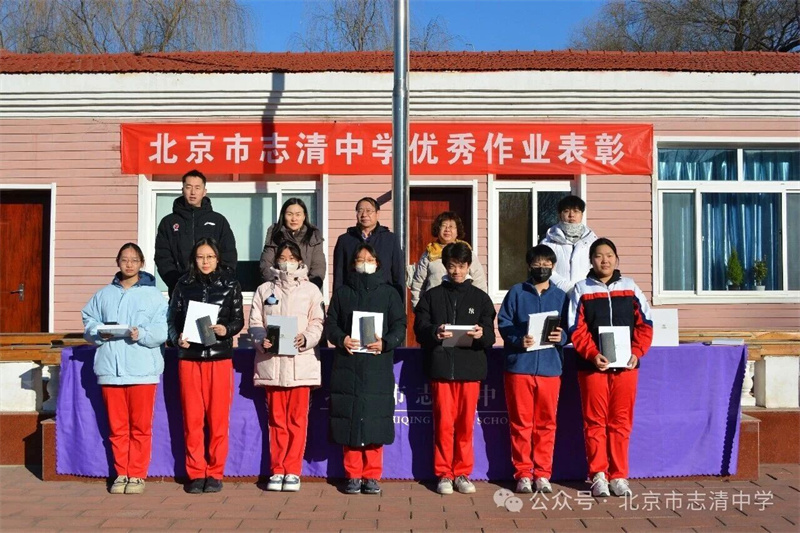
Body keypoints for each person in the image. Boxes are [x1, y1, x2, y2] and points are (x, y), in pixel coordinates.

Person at [567, 238, 653, 498]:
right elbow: (576, 328)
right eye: (598, 256)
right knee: (594, 422)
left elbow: (646, 324)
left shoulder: (630, 287)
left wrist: (637, 352)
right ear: (591, 260)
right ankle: (598, 475)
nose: (604, 260)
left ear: (616, 259)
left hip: (626, 368)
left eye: (609, 255)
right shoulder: (580, 289)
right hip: (592, 368)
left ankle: (619, 476)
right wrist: (593, 354)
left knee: (621, 422)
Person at [81, 243, 167, 495]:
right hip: (110, 369)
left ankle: (137, 475)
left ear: (142, 263)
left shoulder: (154, 296)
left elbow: (162, 329)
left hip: (142, 370)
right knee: (117, 427)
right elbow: (89, 321)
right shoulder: (103, 295)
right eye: (125, 259)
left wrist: (142, 333)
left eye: (134, 260)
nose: (129, 264)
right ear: (117, 262)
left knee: (140, 427)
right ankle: (121, 473)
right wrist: (98, 332)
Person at [413, 242, 496, 495]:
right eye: (452, 266)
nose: (457, 271)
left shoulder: (481, 298)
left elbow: (490, 336)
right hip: (441, 369)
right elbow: (420, 329)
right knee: (444, 423)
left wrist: (481, 334)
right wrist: (434, 332)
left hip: (470, 370)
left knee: (464, 424)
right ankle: (443, 474)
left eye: (461, 266)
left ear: (468, 266)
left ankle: (462, 472)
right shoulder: (432, 296)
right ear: (445, 267)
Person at [325, 244, 406, 495]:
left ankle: (371, 475)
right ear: (353, 264)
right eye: (360, 259)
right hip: (347, 365)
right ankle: (352, 475)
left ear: (378, 263)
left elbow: (400, 325)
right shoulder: (342, 293)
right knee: (349, 420)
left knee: (375, 421)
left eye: (369, 259)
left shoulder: (390, 293)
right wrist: (341, 339)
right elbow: (331, 324)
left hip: (377, 366)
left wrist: (386, 342)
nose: (364, 262)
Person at [168, 237, 244, 494]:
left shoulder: (230, 284)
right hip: (190, 360)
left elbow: (238, 320)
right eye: (200, 257)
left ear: (217, 258)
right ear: (194, 259)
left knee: (218, 419)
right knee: (192, 419)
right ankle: (195, 472)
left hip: (219, 358)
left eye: (210, 256)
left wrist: (225, 329)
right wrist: (177, 338)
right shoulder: (183, 284)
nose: (205, 261)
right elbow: (172, 320)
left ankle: (214, 472)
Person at [250, 242, 325, 492]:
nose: (287, 261)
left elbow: (318, 321)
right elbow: (255, 322)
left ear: (300, 260)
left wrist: (306, 338)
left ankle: (292, 470)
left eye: (292, 257)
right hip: (272, 365)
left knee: (297, 421)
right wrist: (261, 340)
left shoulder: (311, 290)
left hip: (300, 365)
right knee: (276, 421)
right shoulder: (264, 290)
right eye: (282, 257)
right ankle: (277, 469)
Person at [497, 245, 567, 495]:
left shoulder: (561, 296)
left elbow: (571, 327)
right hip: (520, 367)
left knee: (546, 423)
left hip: (549, 368)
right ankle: (523, 473)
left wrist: (562, 337)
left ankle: (543, 473)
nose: (542, 267)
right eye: (537, 263)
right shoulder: (516, 292)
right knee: (521, 423)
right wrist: (518, 339)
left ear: (553, 266)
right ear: (529, 265)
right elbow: (504, 323)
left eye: (547, 263)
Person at [155, 169, 238, 297]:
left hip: (214, 292)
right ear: (182, 190)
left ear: (204, 191)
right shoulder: (169, 222)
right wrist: (176, 282)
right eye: (189, 187)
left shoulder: (218, 221)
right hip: (181, 290)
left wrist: (220, 282)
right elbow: (163, 257)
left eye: (197, 188)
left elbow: (229, 254)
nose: (193, 192)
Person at [410, 211, 487, 309]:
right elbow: (418, 285)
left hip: (463, 307)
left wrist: (478, 308)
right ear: (437, 229)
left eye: (451, 226)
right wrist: (420, 310)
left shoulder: (466, 252)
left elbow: (479, 282)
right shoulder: (429, 254)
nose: (447, 229)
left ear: (457, 231)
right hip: (435, 307)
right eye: (444, 226)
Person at [332, 197, 404, 301]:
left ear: (377, 214)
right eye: (360, 210)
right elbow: (339, 276)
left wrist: (399, 304)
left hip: (383, 299)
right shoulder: (345, 240)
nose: (364, 214)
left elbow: (398, 275)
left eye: (369, 211)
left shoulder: (390, 239)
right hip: (353, 298)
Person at [258, 198, 326, 289]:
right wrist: (276, 286)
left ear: (304, 216)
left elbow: (318, 266)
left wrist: (309, 288)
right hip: (278, 288)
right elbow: (266, 265)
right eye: (289, 214)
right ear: (283, 216)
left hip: (305, 290)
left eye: (298, 214)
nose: (294, 219)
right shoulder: (275, 234)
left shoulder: (313, 235)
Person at [540, 195, 597, 291]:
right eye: (566, 211)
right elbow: (544, 267)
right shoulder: (548, 243)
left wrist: (584, 289)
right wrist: (565, 287)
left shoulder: (592, 241)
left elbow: (596, 267)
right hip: (556, 293)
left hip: (586, 293)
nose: (571, 215)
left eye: (576, 211)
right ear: (559, 215)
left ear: (582, 214)